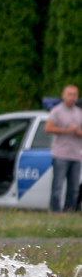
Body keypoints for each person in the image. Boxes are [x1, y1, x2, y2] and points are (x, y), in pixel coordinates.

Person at [45, 84, 82, 213]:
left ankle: (69, 211)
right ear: (63, 96)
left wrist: (77, 132)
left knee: (74, 188)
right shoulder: (56, 111)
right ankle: (55, 211)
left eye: (75, 95)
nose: (72, 97)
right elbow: (48, 128)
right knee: (58, 186)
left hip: (76, 156)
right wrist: (66, 130)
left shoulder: (79, 113)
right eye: (69, 94)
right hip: (60, 155)